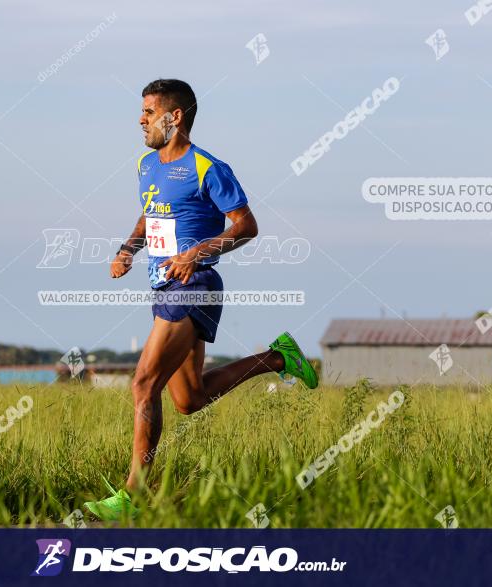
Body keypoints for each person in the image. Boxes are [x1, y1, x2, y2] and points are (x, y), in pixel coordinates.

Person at [84, 79, 317, 520]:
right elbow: (151, 212)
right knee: (189, 400)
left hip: (194, 285)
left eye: (148, 112)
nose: (140, 120)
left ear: (175, 117)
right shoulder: (145, 165)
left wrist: (197, 252)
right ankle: (278, 358)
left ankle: (132, 497)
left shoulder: (208, 167)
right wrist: (128, 250)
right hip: (163, 287)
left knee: (142, 384)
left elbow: (246, 226)